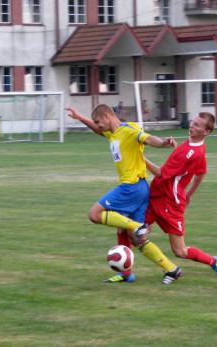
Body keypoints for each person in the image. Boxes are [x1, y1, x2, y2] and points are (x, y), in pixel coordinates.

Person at [65, 104, 183, 284]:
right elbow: (98, 131)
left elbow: (148, 139)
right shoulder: (112, 133)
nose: (98, 125)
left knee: (95, 214)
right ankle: (171, 269)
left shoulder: (128, 130)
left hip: (131, 186)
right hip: (141, 187)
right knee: (135, 239)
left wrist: (163, 143)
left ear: (107, 115)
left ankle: (137, 226)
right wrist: (81, 118)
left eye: (99, 121)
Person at [142, 111, 217, 282]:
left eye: (197, 125)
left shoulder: (191, 152)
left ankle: (213, 261)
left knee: (180, 251)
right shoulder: (195, 145)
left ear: (206, 132)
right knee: (133, 231)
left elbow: (161, 173)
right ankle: (129, 272)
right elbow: (202, 171)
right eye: (193, 122)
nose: (192, 125)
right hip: (156, 197)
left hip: (170, 202)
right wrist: (189, 193)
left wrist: (138, 156)